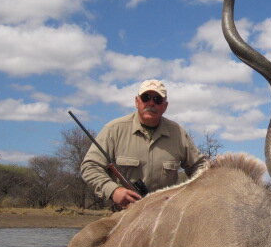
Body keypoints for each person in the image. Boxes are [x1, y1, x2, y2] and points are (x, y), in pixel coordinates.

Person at [81, 79, 207, 208]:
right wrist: (113, 190)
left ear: (165, 106)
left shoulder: (178, 133)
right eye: (146, 98)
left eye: (157, 99)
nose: (151, 103)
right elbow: (90, 166)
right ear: (137, 101)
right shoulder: (114, 129)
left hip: (165, 213)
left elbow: (200, 167)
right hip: (124, 214)